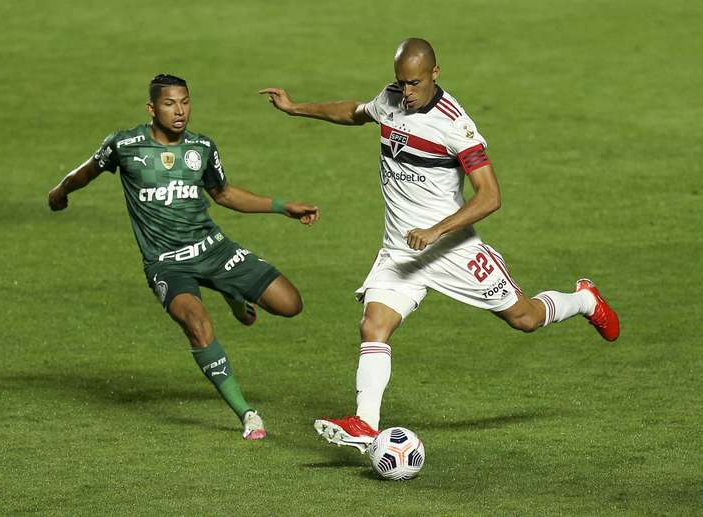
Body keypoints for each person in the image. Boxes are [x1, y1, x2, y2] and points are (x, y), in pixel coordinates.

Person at [259, 38, 619, 453]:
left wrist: (435, 231)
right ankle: (364, 423)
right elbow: (355, 112)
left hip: (452, 250)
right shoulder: (392, 98)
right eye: (400, 82)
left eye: (414, 83)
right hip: (401, 250)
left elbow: (490, 196)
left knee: (524, 318)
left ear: (435, 73)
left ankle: (585, 300)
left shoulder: (456, 126)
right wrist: (295, 107)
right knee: (374, 325)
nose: (406, 92)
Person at [49, 74, 320, 440]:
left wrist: (281, 206)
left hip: (213, 249)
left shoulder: (202, 148)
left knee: (290, 304)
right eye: (169, 104)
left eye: (185, 102)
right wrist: (61, 191)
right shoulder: (124, 145)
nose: (180, 111)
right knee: (196, 323)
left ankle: (231, 292)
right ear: (151, 108)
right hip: (167, 263)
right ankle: (247, 413)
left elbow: (223, 194)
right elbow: (86, 172)